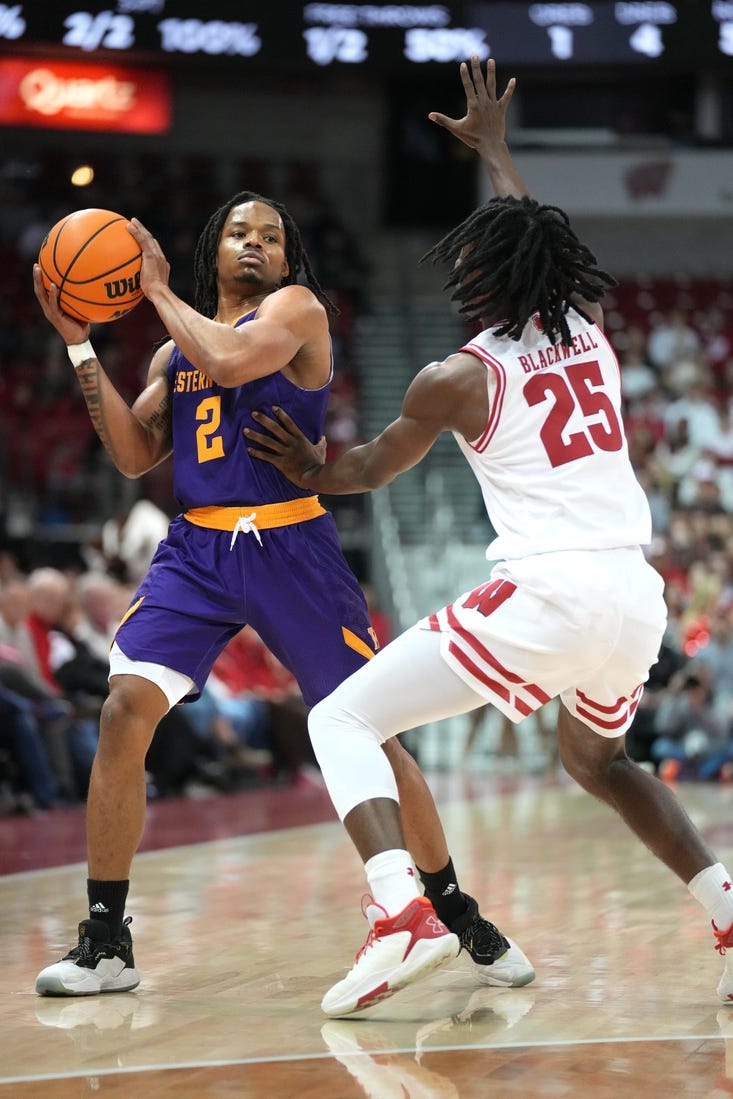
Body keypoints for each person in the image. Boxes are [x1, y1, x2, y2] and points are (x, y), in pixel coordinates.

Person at [246, 56, 733, 1018]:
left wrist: (308, 469)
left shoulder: (455, 376)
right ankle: (726, 909)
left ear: (482, 273)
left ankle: (400, 917)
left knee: (340, 718)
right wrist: (501, 156)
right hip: (635, 594)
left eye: (470, 259)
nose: (461, 268)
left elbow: (373, 467)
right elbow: (539, 236)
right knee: (598, 762)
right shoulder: (588, 325)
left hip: (546, 592)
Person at [31, 172, 533, 994]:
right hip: (196, 551)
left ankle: (453, 911)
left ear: (287, 255)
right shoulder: (171, 350)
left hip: (291, 542)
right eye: (239, 232)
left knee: (370, 731)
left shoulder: (297, 310)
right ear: (215, 252)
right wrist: (81, 342)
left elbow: (229, 361)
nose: (255, 242)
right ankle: (106, 937)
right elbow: (131, 454)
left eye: (269, 233)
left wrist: (151, 285)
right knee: (124, 707)